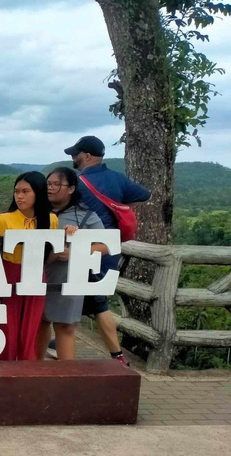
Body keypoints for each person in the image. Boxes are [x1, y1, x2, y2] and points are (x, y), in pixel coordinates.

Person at [64, 135, 151, 366]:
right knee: (94, 299)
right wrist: (119, 206)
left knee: (91, 301)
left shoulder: (78, 183)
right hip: (110, 248)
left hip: (86, 248)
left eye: (76, 153)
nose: (73, 157)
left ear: (88, 156)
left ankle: (115, 356)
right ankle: (110, 354)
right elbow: (145, 195)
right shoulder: (118, 179)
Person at [37, 167, 108, 360]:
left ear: (71, 189)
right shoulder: (36, 211)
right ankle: (35, 372)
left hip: (69, 279)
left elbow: (106, 246)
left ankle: (66, 377)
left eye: (56, 184)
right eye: (48, 184)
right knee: (38, 324)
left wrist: (75, 251)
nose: (50, 188)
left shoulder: (85, 215)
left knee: (65, 326)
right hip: (38, 277)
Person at [0, 171, 59, 361]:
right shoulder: (4, 219)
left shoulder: (51, 219)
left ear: (37, 193)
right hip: (10, 271)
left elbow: (50, 252)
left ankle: (27, 368)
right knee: (8, 324)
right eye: (16, 191)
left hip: (36, 273)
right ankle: (4, 367)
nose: (19, 196)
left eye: (25, 191)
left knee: (32, 325)